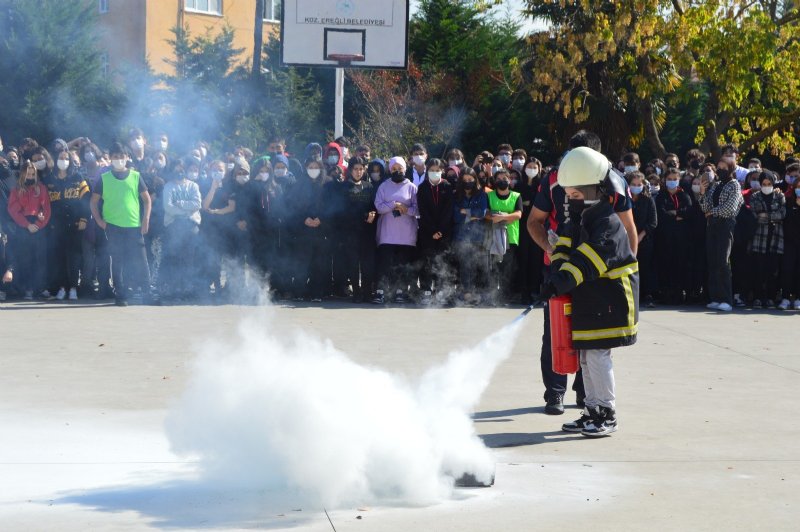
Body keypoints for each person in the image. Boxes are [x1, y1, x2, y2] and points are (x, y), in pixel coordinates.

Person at [527, 130, 636, 415]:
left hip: (601, 285)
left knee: (595, 351)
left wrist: (562, 279)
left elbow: (599, 251)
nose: (570, 196)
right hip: (574, 279)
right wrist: (556, 266)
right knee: (568, 341)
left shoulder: (606, 213)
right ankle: (568, 399)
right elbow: (555, 232)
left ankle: (600, 409)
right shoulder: (562, 189)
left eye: (575, 193)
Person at [89, 142, 153, 306]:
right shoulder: (104, 179)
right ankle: (121, 295)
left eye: (121, 156)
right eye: (115, 157)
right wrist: (99, 221)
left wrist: (145, 220)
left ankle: (147, 293)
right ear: (110, 159)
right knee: (117, 261)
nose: (118, 159)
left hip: (134, 225)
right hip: (113, 226)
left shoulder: (136, 176)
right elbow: (93, 202)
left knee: (141, 260)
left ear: (127, 158)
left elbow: (147, 200)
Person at [698, 157, 744, 312]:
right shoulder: (715, 185)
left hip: (725, 225)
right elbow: (705, 207)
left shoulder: (734, 185)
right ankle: (715, 297)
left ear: (731, 169)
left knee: (723, 261)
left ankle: (726, 299)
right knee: (713, 261)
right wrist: (703, 193)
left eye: (725, 167)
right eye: (719, 167)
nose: (721, 170)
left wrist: (713, 212)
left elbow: (730, 208)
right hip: (711, 225)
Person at [44, 149, 90, 300]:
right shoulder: (49, 179)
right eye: (60, 158)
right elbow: (45, 203)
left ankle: (74, 288)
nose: (63, 161)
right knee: (59, 258)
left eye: (66, 158)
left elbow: (86, 199)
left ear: (70, 161)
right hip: (56, 225)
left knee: (74, 258)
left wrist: (84, 219)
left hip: (76, 224)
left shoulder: (78, 177)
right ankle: (62, 287)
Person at [373, 156, 418, 304]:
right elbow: (378, 207)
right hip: (387, 235)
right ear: (389, 170)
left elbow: (417, 209)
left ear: (405, 169)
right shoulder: (383, 186)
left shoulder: (412, 187)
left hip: (407, 235)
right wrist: (393, 204)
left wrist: (406, 209)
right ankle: (381, 292)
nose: (397, 171)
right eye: (394, 169)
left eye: (400, 168)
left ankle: (401, 291)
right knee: (385, 265)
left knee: (403, 265)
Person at [7, 160, 51, 300]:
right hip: (24, 226)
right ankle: (28, 289)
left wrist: (39, 223)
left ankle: (41, 288)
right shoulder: (16, 190)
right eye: (28, 173)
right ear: (23, 174)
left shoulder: (41, 188)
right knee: (25, 259)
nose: (31, 176)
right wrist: (26, 225)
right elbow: (13, 210)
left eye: (33, 173)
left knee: (40, 258)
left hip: (38, 225)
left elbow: (46, 210)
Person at [161, 158, 203, 301]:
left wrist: (180, 204)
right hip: (174, 225)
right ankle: (174, 288)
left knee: (189, 259)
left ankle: (188, 287)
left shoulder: (193, 186)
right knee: (174, 257)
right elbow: (168, 208)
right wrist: (185, 210)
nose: (180, 172)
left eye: (182, 169)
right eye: (177, 169)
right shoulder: (168, 186)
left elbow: (197, 204)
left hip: (191, 225)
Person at [338, 156, 378, 302]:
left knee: (367, 264)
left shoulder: (369, 187)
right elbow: (344, 210)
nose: (358, 172)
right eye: (355, 169)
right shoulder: (343, 187)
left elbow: (374, 206)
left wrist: (373, 213)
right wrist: (364, 215)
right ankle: (356, 292)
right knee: (353, 263)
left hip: (367, 232)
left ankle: (367, 292)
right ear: (350, 170)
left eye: (361, 169)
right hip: (350, 232)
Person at [416, 158, 454, 305]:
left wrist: (441, 230)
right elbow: (422, 211)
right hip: (427, 231)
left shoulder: (447, 186)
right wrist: (432, 229)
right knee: (427, 260)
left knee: (443, 260)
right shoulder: (422, 187)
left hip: (444, 231)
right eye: (432, 170)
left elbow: (448, 210)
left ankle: (441, 290)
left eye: (437, 170)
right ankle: (426, 289)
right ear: (427, 170)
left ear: (442, 171)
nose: (434, 173)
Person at [654, 167, 692, 304]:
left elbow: (688, 211)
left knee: (680, 264)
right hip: (665, 237)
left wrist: (674, 213)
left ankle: (679, 293)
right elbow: (661, 213)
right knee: (666, 264)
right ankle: (665, 293)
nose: (672, 182)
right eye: (669, 179)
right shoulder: (661, 196)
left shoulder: (684, 195)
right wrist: (676, 214)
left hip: (681, 237)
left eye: (674, 179)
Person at [748, 171, 785, 308]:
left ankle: (770, 297)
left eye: (769, 184)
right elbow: (755, 215)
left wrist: (766, 216)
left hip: (775, 238)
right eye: (764, 184)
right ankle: (758, 297)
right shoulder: (755, 197)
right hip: (759, 239)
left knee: (773, 270)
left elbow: (782, 213)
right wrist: (772, 216)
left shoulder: (779, 195)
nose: (767, 186)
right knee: (759, 270)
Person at [486, 168, 523, 303]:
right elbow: (486, 213)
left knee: (508, 268)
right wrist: (492, 217)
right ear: (495, 181)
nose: (502, 181)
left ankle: (508, 295)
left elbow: (518, 214)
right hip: (494, 237)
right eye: (499, 179)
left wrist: (503, 216)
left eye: (505, 179)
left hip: (511, 237)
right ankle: (494, 295)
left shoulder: (516, 195)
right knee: (494, 267)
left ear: (510, 180)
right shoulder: (489, 195)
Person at [452, 168, 488, 305]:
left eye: (471, 179)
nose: (468, 182)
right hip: (460, 236)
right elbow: (455, 216)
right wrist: (471, 215)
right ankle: (466, 294)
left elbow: (482, 213)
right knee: (464, 266)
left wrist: (465, 212)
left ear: (475, 179)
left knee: (476, 265)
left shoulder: (481, 195)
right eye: (465, 180)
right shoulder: (455, 196)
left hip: (477, 236)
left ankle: (476, 294)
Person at [627, 171, 657, 307]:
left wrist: (640, 236)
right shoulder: (624, 200)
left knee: (645, 267)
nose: (636, 187)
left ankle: (647, 294)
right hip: (626, 240)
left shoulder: (648, 199)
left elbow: (653, 221)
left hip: (644, 240)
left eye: (639, 184)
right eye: (633, 184)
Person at [517, 157, 544, 303]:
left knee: (536, 258)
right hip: (521, 226)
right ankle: (523, 290)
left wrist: (528, 204)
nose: (532, 170)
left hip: (538, 226)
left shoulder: (541, 185)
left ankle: (535, 289)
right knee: (523, 258)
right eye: (529, 166)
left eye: (535, 167)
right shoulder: (519, 186)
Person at [779, 179, 800, 310]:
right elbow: (786, 220)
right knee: (787, 269)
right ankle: (785, 297)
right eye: (798, 187)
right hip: (789, 242)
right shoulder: (788, 201)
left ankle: (798, 298)